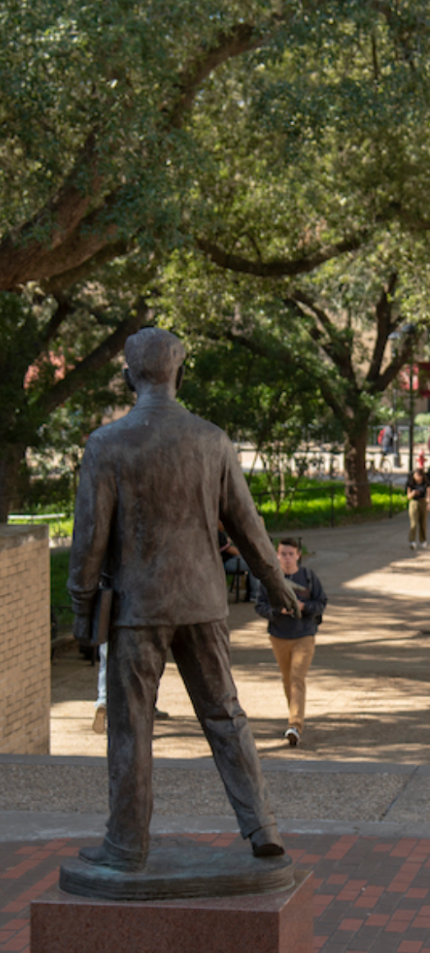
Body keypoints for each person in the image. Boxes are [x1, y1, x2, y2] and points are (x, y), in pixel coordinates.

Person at [66, 327, 297, 871]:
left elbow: (89, 538)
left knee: (132, 728)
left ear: (128, 378)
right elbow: (247, 522)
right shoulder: (211, 439)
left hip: (135, 608)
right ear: (180, 374)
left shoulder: (107, 444)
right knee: (226, 715)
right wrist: (273, 578)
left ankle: (126, 844)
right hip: (202, 603)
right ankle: (262, 825)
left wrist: (81, 606)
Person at [255, 538, 328, 747]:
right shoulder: (270, 581)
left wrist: (304, 607)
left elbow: (321, 602)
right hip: (279, 636)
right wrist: (278, 611)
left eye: (290, 554)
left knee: (297, 677)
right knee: (287, 680)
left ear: (298, 555)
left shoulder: (308, 577)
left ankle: (295, 725)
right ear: (277, 556)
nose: (287, 558)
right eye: (283, 554)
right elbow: (260, 606)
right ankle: (294, 718)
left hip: (304, 635)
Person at [406, 467, 430, 549]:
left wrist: (428, 504)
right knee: (414, 523)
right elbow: (408, 496)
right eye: (416, 476)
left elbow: (428, 495)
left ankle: (423, 540)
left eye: (419, 476)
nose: (417, 477)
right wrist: (412, 493)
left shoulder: (426, 483)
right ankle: (412, 541)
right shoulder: (411, 483)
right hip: (414, 503)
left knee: (423, 523)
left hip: (423, 502)